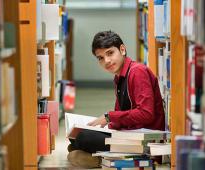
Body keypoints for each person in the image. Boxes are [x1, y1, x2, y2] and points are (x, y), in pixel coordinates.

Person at [67, 30, 165, 168]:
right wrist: (107, 126)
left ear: (122, 50)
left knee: (83, 138)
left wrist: (109, 117)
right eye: (100, 58)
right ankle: (95, 154)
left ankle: (100, 160)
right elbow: (121, 116)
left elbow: (146, 114)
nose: (106, 61)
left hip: (144, 141)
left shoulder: (137, 72)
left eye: (110, 53)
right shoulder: (119, 77)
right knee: (76, 135)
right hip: (130, 134)